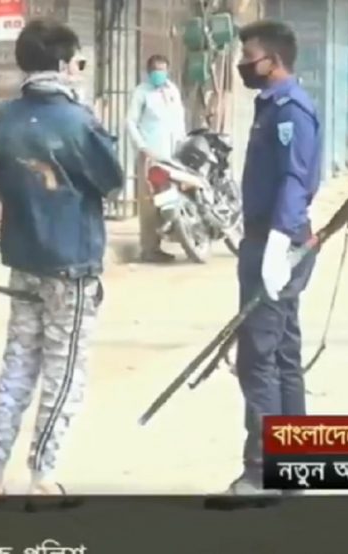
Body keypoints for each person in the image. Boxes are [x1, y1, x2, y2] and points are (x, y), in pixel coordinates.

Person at [0, 19, 124, 510]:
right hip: (70, 261)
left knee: (18, 361)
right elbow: (111, 179)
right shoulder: (77, 120)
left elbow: (1, 184)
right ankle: (42, 477)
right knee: (64, 372)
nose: (80, 68)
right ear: (63, 64)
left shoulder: (6, 116)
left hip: (24, 256)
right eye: (78, 61)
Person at [206, 20, 322, 509]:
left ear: (272, 61)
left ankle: (261, 472)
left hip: (277, 242)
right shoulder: (272, 106)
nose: (242, 65)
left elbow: (296, 179)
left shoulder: (290, 110)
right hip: (272, 239)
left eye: (248, 57)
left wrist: (277, 242)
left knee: (258, 358)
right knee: (283, 353)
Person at [126, 54, 187, 264]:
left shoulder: (172, 91)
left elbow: (179, 119)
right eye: (155, 70)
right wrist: (142, 147)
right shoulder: (141, 92)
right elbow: (130, 122)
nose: (159, 74)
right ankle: (149, 248)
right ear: (148, 71)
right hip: (151, 156)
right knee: (150, 203)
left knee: (169, 198)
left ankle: (169, 238)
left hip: (172, 155)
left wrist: (182, 143)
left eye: (162, 69)